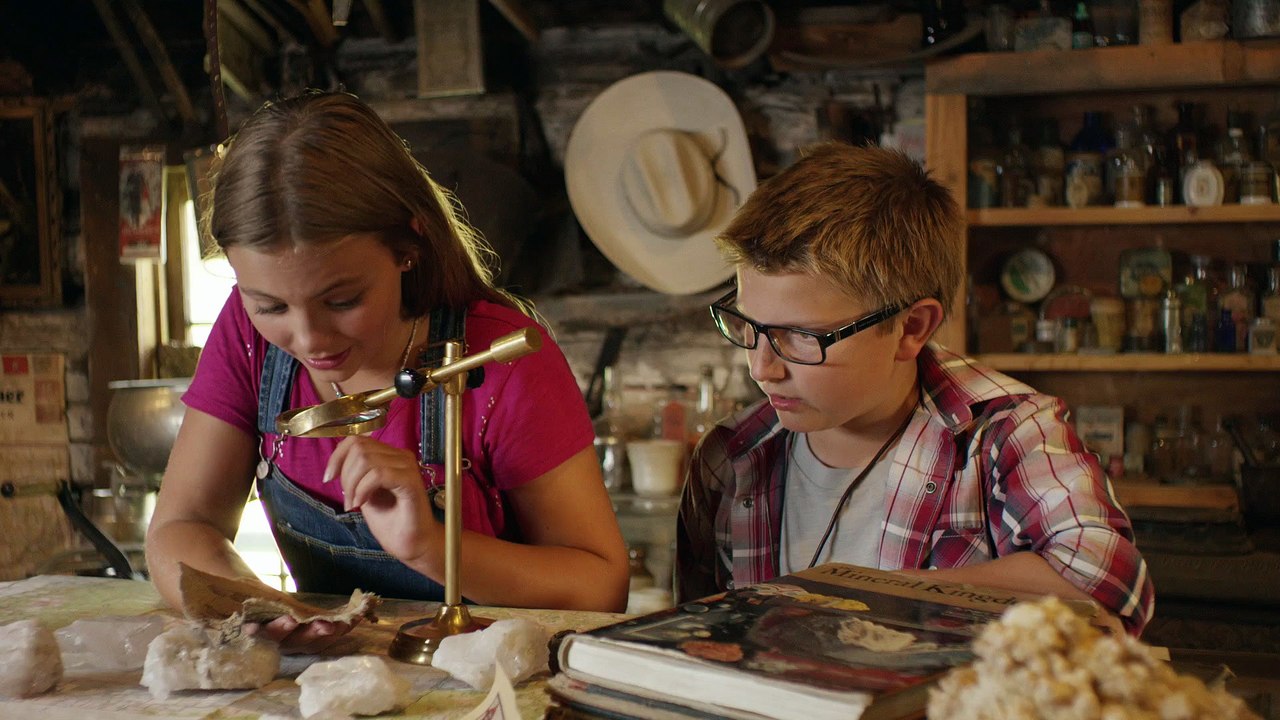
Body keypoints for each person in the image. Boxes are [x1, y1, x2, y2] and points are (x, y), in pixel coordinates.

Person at [146, 91, 629, 653]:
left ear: (408, 246)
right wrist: (261, 609)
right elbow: (181, 528)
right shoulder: (246, 336)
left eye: (342, 300)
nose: (309, 338)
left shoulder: (501, 362)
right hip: (337, 679)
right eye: (270, 305)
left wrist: (430, 547)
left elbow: (601, 586)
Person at [676, 142, 1154, 636]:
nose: (761, 368)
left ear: (911, 328)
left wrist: (865, 599)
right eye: (747, 324)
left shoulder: (1008, 432)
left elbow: (1106, 586)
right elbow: (694, 638)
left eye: (800, 336)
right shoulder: (728, 458)